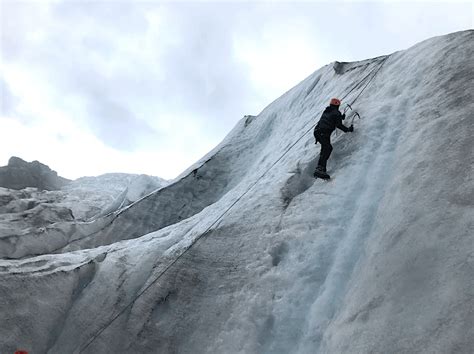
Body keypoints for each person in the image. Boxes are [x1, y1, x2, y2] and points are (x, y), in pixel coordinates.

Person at [313, 98, 354, 179]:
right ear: (337, 105)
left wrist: (341, 117)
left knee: (325, 149)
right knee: (327, 148)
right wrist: (348, 129)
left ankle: (321, 169)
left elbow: (331, 118)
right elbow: (338, 125)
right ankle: (320, 169)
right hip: (324, 132)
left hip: (318, 131)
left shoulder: (327, 111)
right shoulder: (336, 113)